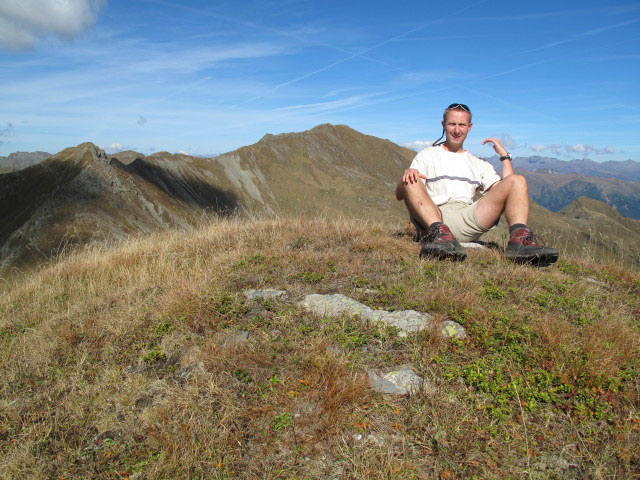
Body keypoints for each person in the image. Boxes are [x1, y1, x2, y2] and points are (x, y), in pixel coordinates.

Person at [395, 103, 558, 266]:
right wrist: (407, 177)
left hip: (467, 219)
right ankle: (440, 238)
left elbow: (510, 189)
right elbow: (399, 195)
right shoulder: (426, 156)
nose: (457, 130)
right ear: (443, 125)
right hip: (433, 218)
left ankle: (520, 242)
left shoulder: (478, 163)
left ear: (469, 127)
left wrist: (504, 156)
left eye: (462, 125)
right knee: (411, 176)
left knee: (518, 180)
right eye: (452, 124)